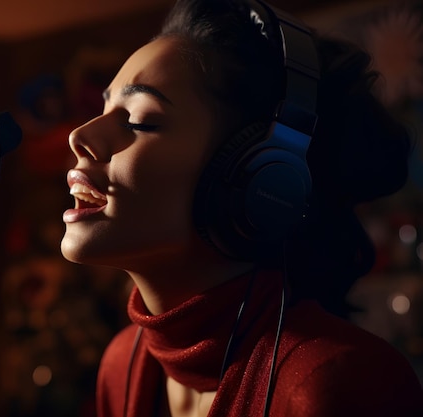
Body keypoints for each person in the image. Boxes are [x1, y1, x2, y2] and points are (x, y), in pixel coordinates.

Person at [59, 0, 423, 416]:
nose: (79, 136)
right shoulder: (121, 365)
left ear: (260, 177)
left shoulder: (339, 381)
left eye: (140, 119)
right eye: (103, 108)